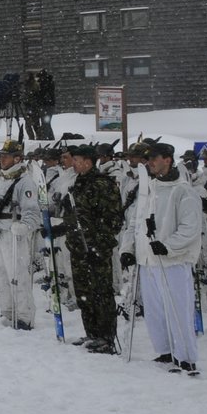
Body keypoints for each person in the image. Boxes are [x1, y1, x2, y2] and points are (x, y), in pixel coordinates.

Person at [124, 141, 204, 375]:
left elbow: (190, 228)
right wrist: (127, 249)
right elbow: (135, 222)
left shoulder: (183, 190)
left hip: (172, 261)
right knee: (155, 310)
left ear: (167, 160)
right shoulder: (148, 188)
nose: (149, 163)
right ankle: (165, 350)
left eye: (153, 159)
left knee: (178, 309)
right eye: (147, 160)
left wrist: (168, 246)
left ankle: (186, 357)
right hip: (147, 259)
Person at [0, 140, 46, 330]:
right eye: (1, 156)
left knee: (18, 275)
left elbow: (32, 211)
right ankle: (7, 311)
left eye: (5, 156)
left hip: (14, 235)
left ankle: (24, 316)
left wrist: (24, 226)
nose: (1, 160)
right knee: (0, 275)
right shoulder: (1, 179)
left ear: (17, 158)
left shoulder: (25, 182)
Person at [62, 145, 125, 352]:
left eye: (77, 160)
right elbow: (75, 216)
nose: (73, 163)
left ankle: (106, 337)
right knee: (83, 293)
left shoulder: (102, 185)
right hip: (79, 248)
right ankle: (92, 332)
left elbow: (114, 219)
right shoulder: (78, 183)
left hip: (96, 249)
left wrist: (98, 245)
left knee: (101, 293)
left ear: (88, 162)